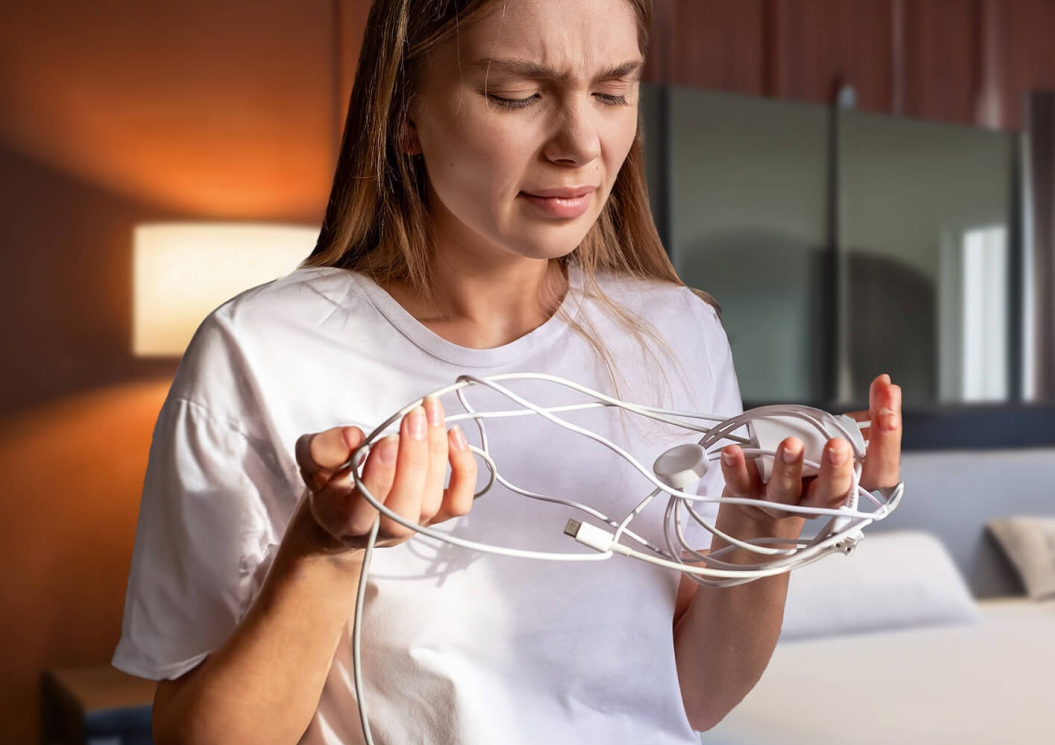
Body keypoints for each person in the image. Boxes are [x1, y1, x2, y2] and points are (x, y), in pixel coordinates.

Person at [111, 0, 904, 743]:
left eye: (612, 90)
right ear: (405, 114)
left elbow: (688, 692)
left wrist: (759, 536)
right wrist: (325, 549)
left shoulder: (680, 332)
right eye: (519, 93)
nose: (582, 144)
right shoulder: (262, 352)